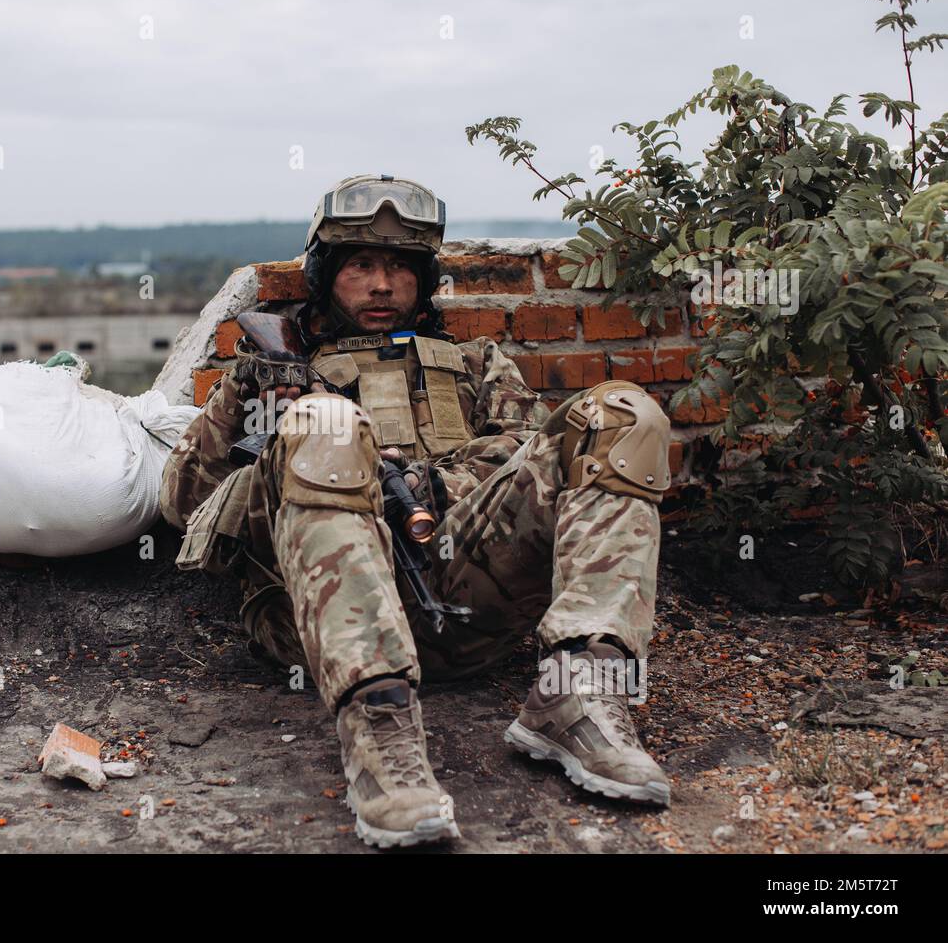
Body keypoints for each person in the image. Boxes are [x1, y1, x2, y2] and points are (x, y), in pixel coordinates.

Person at [161, 174, 673, 849]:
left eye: (400, 268)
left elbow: (529, 456)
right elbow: (179, 503)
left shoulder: (475, 363)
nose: (381, 285)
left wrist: (435, 485)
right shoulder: (282, 375)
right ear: (325, 276)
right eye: (362, 266)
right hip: (319, 624)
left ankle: (579, 691)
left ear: (423, 279)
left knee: (623, 416)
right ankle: (380, 735)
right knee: (328, 426)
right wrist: (243, 393)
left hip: (467, 601)